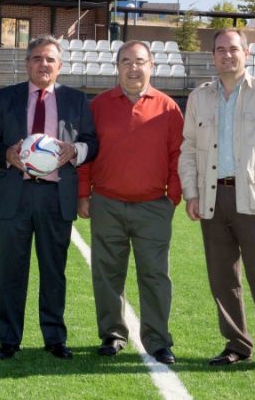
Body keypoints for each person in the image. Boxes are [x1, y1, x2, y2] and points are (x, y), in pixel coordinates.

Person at [178, 28, 255, 376]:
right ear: (212, 55)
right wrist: (192, 192)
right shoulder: (199, 97)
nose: (227, 55)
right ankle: (236, 344)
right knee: (222, 278)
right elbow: (187, 150)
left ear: (246, 53)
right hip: (213, 200)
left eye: (233, 49)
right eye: (220, 50)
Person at [0, 35, 98, 361]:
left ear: (59, 65)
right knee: (11, 271)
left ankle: (54, 337)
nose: (43, 64)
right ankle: (8, 339)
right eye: (36, 58)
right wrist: (5, 153)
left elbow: (93, 141)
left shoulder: (76, 100)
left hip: (55, 196)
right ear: (27, 63)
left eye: (49, 59)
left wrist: (75, 150)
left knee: (53, 271)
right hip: (14, 197)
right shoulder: (6, 98)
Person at [77, 41, 183, 365]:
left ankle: (158, 340)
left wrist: (172, 199)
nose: (133, 68)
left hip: (153, 206)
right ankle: (113, 333)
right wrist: (83, 193)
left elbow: (178, 155)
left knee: (154, 275)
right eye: (126, 62)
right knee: (107, 274)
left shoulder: (168, 108)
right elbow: (87, 152)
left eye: (140, 61)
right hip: (107, 203)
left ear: (152, 66)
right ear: (117, 67)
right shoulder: (98, 106)